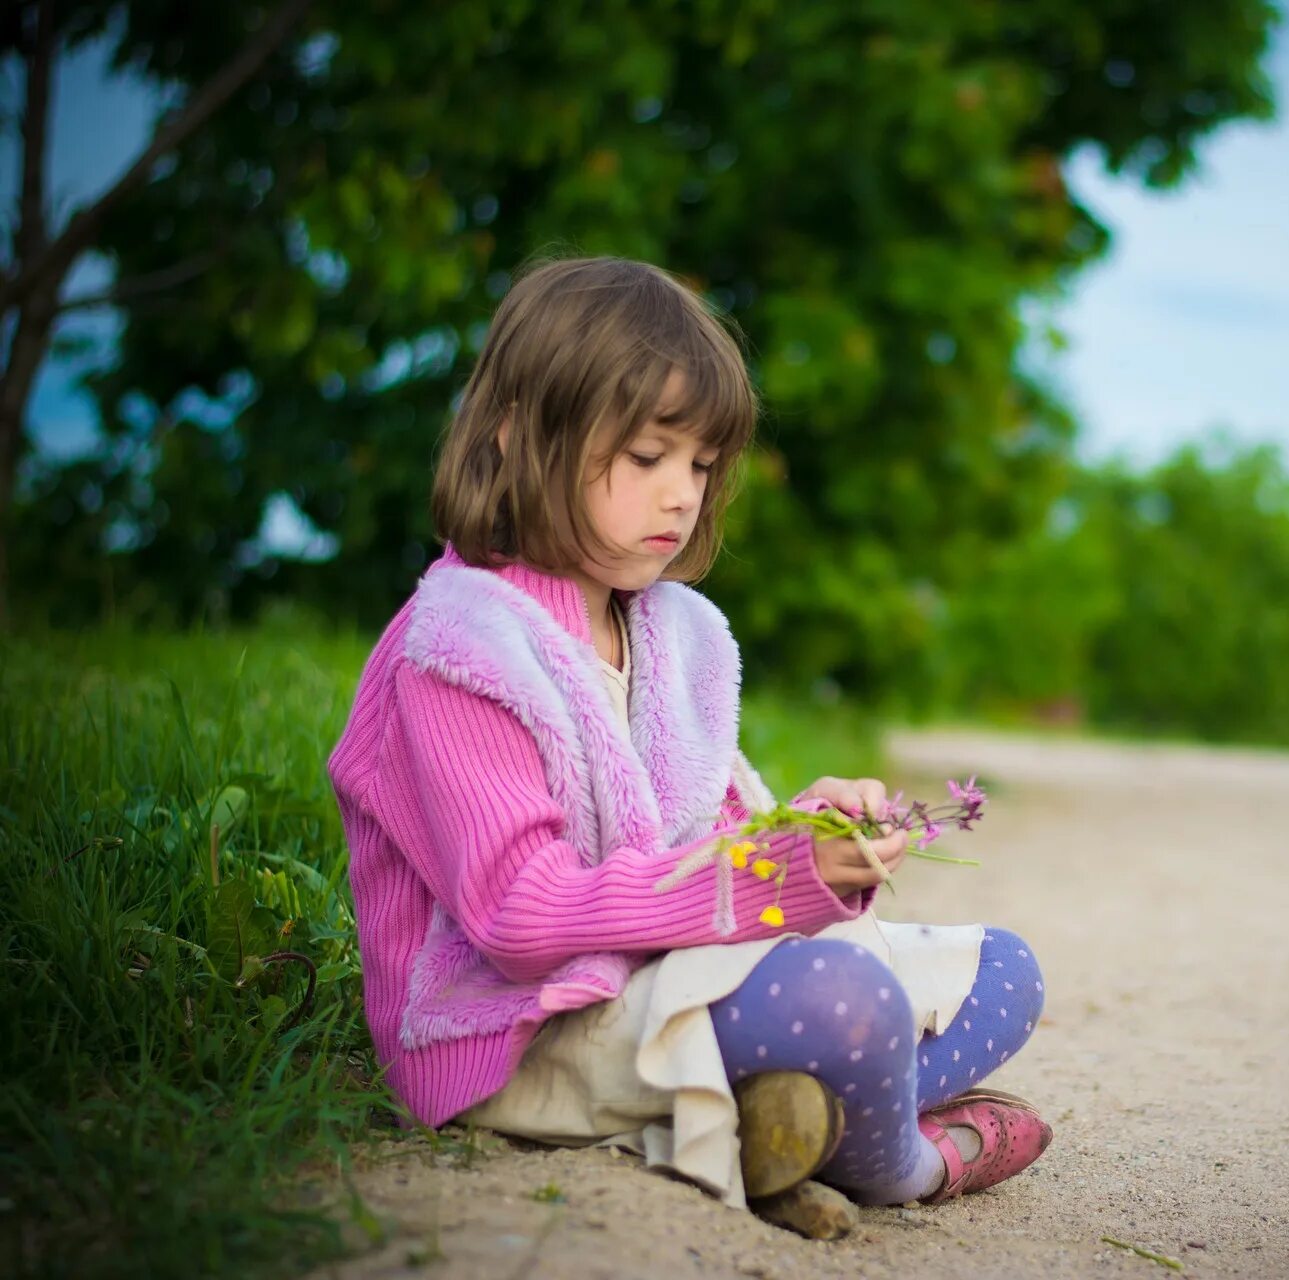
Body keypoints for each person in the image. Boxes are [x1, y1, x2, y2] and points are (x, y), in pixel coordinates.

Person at [327, 256, 1051, 1216]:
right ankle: (904, 1162)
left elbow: (704, 847)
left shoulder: (668, 631)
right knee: (847, 1003)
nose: (683, 495)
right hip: (522, 1030)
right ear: (515, 434)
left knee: (1003, 967)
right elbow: (519, 917)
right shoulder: (462, 649)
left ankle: (789, 1124)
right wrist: (772, 879)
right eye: (646, 459)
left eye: (702, 466)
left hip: (657, 979)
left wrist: (808, 834)